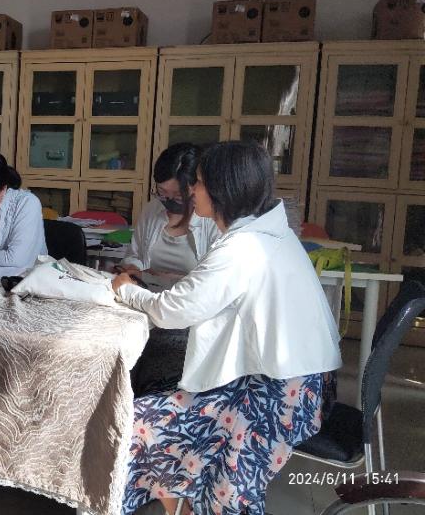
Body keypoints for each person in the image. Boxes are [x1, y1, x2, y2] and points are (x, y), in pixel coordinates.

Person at [111, 141, 341, 515]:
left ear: (223, 190)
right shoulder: (267, 233)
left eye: (199, 183)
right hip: (288, 382)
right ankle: (186, 504)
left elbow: (174, 310)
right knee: (153, 415)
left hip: (281, 395)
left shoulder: (243, 246)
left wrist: (126, 290)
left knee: (142, 426)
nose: (192, 191)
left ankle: (192, 503)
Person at [117, 143, 221, 396]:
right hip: (145, 304)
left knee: (156, 367)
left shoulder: (212, 221)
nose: (168, 201)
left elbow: (212, 286)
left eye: (177, 195)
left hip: (186, 317)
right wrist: (135, 268)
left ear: (196, 188)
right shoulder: (153, 210)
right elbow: (136, 254)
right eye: (162, 192)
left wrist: (172, 278)